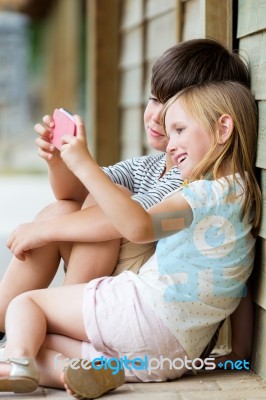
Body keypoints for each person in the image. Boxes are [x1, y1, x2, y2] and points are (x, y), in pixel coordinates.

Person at [0, 81, 261, 398]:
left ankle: (17, 361)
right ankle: (63, 370)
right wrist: (239, 354)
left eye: (179, 130)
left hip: (142, 312)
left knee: (25, 305)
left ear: (222, 129)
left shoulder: (200, 195)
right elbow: (242, 284)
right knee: (35, 339)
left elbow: (137, 227)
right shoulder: (243, 199)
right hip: (174, 356)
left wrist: (84, 162)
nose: (170, 145)